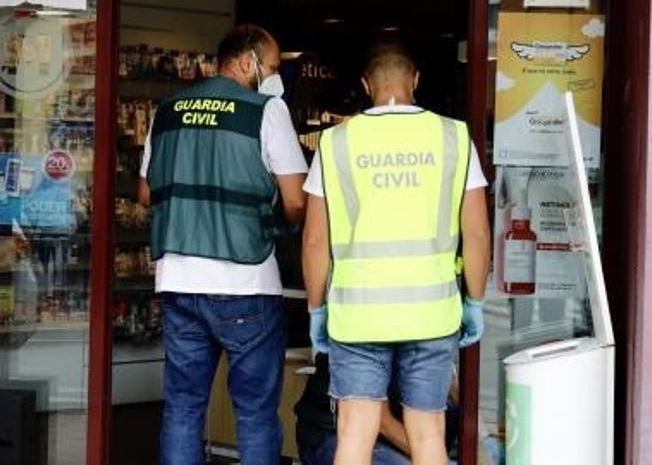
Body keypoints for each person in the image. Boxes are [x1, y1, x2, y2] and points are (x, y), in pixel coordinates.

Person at [301, 41, 491, 465]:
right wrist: (474, 301)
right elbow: (476, 233)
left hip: (358, 314)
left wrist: (316, 309)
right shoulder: (454, 137)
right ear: (416, 82)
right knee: (428, 435)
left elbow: (314, 240)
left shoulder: (335, 143)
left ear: (366, 85)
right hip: (431, 312)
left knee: (355, 432)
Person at [139, 24, 308, 465]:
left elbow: (144, 193)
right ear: (247, 60)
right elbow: (295, 200)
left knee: (182, 407)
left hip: (178, 279)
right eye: (271, 66)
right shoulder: (266, 110)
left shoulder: (168, 109)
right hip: (246, 281)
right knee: (253, 413)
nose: (275, 77)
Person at [294, 352, 460, 465]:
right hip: (331, 434)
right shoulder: (372, 332)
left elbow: (449, 388)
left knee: (448, 411)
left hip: (389, 434)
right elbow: (383, 423)